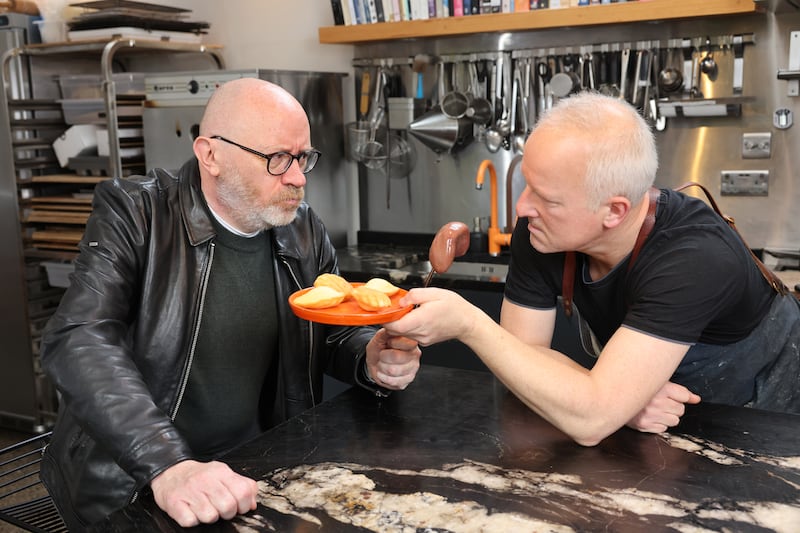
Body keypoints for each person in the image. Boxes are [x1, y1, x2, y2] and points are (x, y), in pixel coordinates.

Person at [39, 78, 421, 529]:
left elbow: (330, 328)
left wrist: (368, 355)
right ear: (211, 155)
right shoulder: (136, 214)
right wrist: (168, 464)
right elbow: (78, 339)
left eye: (303, 158)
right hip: (137, 480)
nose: (298, 177)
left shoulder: (301, 228)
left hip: (256, 466)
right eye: (278, 159)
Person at [385, 91, 800, 447]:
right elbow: (522, 360)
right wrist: (618, 400)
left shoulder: (694, 258)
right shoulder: (541, 231)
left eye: (546, 198)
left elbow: (589, 423)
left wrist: (471, 324)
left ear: (614, 211)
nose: (523, 207)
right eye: (527, 184)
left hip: (763, 409)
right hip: (654, 430)